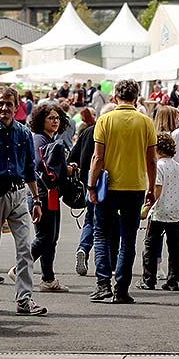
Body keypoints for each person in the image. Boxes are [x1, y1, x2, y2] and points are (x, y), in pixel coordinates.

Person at [0, 86, 48, 316]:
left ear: (16, 107)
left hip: (18, 194)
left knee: (25, 247)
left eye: (9, 104)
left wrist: (37, 200)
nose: (4, 108)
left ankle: (24, 299)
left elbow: (30, 170)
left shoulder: (23, 133)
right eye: (1, 103)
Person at [87, 79, 157, 304]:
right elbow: (152, 160)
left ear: (115, 96)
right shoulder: (146, 122)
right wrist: (152, 186)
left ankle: (103, 284)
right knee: (128, 239)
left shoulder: (105, 120)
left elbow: (98, 158)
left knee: (102, 234)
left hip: (109, 186)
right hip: (135, 186)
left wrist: (91, 184)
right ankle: (122, 289)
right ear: (136, 98)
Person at [24, 103, 73, 293]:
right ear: (40, 120)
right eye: (50, 118)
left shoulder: (48, 139)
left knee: (51, 238)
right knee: (45, 237)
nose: (55, 121)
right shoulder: (39, 139)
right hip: (41, 194)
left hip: (49, 194)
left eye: (57, 118)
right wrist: (63, 168)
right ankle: (21, 267)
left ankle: (48, 278)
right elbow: (39, 165)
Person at [69, 103, 116, 277]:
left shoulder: (88, 131)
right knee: (107, 226)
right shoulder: (111, 133)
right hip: (109, 183)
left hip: (89, 183)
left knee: (90, 220)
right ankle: (107, 263)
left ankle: (83, 248)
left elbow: (73, 157)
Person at [138, 132, 179, 291]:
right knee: (174, 248)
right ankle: (173, 280)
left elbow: (157, 189)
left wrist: (148, 206)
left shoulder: (158, 166)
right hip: (175, 213)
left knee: (151, 246)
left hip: (158, 212)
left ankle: (149, 280)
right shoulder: (178, 167)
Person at [151, 105, 179, 280]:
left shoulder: (153, 136)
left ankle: (157, 266)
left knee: (157, 229)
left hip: (159, 182)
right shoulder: (175, 135)